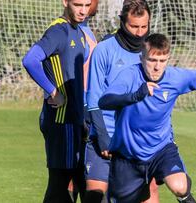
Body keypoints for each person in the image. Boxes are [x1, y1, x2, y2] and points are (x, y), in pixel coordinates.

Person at [97, 33, 196, 203]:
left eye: (162, 61)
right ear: (142, 57)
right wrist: (136, 96)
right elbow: (105, 101)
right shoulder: (129, 75)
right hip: (128, 155)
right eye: (152, 60)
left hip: (161, 149)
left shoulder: (176, 78)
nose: (157, 67)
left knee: (180, 187)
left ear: (168, 59)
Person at [84, 0, 159, 202]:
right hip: (105, 135)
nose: (139, 32)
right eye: (134, 26)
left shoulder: (152, 54)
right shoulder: (104, 50)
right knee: (95, 197)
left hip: (139, 140)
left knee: (148, 195)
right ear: (122, 22)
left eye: (144, 26)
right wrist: (102, 137)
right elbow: (93, 99)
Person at [22, 0, 92, 202]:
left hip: (75, 118)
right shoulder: (57, 31)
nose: (83, 10)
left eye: (87, 4)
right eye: (78, 4)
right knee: (60, 183)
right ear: (65, 2)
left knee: (82, 180)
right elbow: (30, 60)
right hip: (61, 119)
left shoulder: (79, 32)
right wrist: (53, 91)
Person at [68, 1, 99, 202]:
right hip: (78, 107)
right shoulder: (72, 31)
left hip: (88, 106)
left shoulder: (86, 30)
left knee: (84, 171)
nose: (86, 6)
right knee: (70, 172)